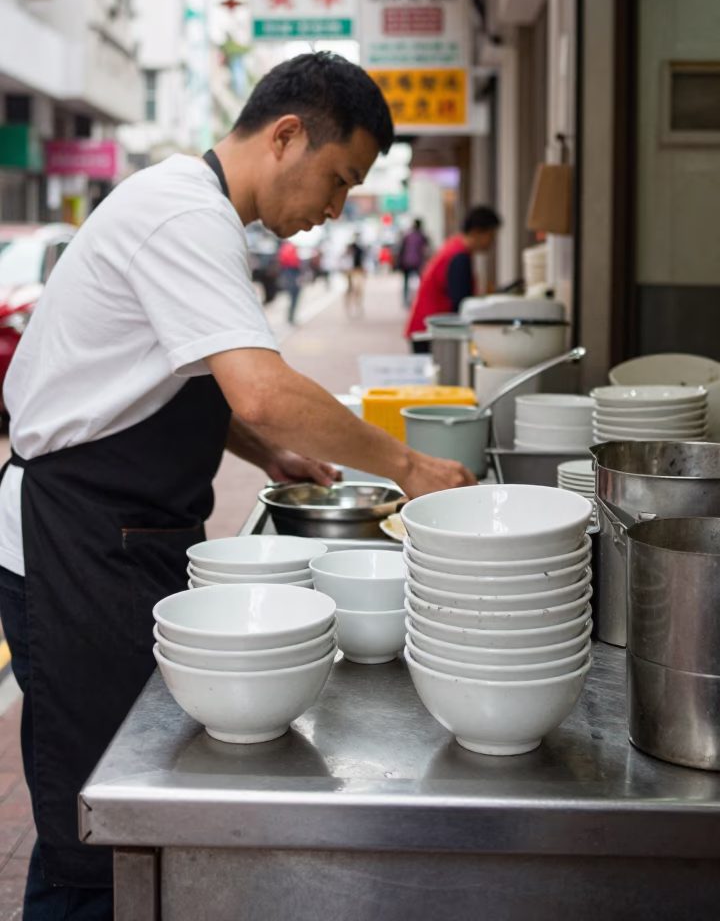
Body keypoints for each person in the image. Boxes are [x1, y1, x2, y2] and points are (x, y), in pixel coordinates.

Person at [0, 51, 475, 919]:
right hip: (74, 542)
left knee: (131, 804)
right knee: (96, 829)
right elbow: (258, 384)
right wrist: (407, 466)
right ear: (286, 135)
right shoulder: (184, 212)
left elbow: (175, 378)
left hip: (121, 540)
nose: (334, 210)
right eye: (337, 180)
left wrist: (263, 454)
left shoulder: (197, 210)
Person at [405, 205, 502, 342]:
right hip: (432, 331)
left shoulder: (455, 246)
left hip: (428, 326)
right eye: (491, 235)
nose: (493, 242)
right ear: (477, 231)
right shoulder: (459, 256)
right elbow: (461, 301)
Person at [396, 218, 429, 307]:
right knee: (421, 283)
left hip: (407, 262)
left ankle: (406, 301)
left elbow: (402, 249)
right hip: (418, 263)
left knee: (406, 283)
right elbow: (426, 250)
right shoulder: (422, 237)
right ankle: (420, 300)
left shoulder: (407, 236)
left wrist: (400, 262)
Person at [277, 238, 303, 324]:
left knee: (292, 297)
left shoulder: (284, 247)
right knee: (294, 296)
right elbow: (295, 262)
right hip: (292, 273)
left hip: (289, 272)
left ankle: (290, 316)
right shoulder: (290, 247)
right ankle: (291, 317)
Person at [344, 233, 365, 317]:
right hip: (352, 271)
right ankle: (350, 307)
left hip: (358, 271)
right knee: (351, 290)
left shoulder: (360, 249)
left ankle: (357, 306)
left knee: (358, 290)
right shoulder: (350, 248)